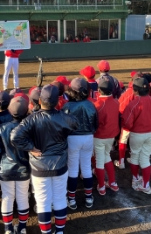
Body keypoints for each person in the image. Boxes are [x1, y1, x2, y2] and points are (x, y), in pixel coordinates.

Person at [11, 84, 78, 234]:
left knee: (42, 202)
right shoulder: (64, 117)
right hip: (60, 166)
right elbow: (75, 123)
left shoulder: (31, 119)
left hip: (39, 167)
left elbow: (14, 136)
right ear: (57, 102)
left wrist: (31, 148)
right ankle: (59, 232)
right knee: (60, 199)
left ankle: (46, 232)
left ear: (40, 101)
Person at [0, 96, 30, 234]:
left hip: (5, 169)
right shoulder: (30, 127)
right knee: (22, 196)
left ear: (9, 111)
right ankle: (22, 228)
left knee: (7, 197)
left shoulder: (2, 127)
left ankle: (8, 229)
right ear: (26, 111)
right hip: (25, 169)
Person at [121, 77, 151, 194]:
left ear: (135, 90)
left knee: (135, 156)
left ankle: (135, 179)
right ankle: (146, 185)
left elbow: (127, 123)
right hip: (149, 133)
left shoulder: (133, 104)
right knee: (145, 158)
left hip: (136, 134)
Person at [61, 78, 98, 209]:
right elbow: (96, 124)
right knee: (87, 167)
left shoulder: (67, 106)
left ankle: (72, 199)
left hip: (73, 139)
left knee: (73, 169)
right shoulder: (91, 104)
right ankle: (88, 197)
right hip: (88, 137)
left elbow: (62, 126)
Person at [93, 78, 120, 195]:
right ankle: (113, 183)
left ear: (99, 90)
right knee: (107, 157)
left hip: (100, 136)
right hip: (111, 135)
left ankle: (102, 186)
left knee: (100, 160)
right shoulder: (116, 102)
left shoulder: (98, 104)